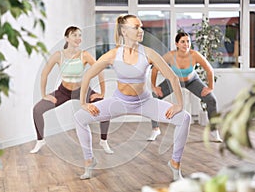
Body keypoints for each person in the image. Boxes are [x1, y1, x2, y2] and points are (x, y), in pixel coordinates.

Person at [73, 14, 191, 181]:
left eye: (141, 26)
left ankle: (175, 163)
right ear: (124, 31)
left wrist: (179, 104)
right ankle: (89, 160)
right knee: (79, 117)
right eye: (136, 27)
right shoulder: (114, 54)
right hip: (119, 102)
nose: (141, 30)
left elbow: (172, 77)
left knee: (184, 118)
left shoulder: (148, 53)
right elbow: (87, 75)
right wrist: (83, 103)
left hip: (145, 102)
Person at [31, 26, 113, 154]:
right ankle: (40, 140)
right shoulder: (58, 55)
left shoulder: (84, 55)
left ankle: (103, 141)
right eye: (74, 35)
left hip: (82, 91)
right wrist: (44, 94)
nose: (78, 38)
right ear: (67, 38)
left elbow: (99, 70)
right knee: (37, 110)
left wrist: (102, 92)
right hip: (63, 91)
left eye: (79, 35)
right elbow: (44, 73)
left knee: (104, 108)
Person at [148, 32, 223, 142]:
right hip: (173, 81)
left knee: (211, 99)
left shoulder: (195, 55)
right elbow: (155, 69)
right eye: (183, 41)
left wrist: (210, 87)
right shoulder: (170, 55)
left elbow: (209, 70)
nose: (186, 44)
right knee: (154, 97)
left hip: (191, 81)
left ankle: (214, 130)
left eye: (188, 41)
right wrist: (154, 87)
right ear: (176, 44)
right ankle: (155, 129)